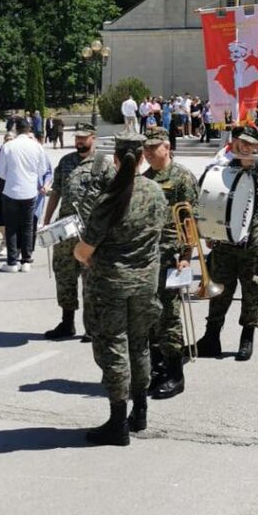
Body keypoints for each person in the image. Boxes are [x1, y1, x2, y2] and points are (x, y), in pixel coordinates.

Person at [74, 135, 167, 443]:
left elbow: (85, 250)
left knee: (113, 347)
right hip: (145, 283)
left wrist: (79, 254)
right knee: (139, 344)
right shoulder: (155, 191)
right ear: (142, 158)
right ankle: (139, 412)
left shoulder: (110, 197)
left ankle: (117, 423)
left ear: (115, 159)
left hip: (110, 286)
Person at [196, 125, 258, 361]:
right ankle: (211, 338)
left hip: (254, 245)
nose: (244, 147)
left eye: (249, 144)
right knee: (219, 292)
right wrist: (210, 232)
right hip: (224, 244)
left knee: (251, 291)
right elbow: (211, 203)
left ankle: (247, 338)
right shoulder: (224, 170)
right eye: (241, 143)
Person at [41, 124, 115, 339]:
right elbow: (56, 191)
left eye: (84, 138)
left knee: (90, 279)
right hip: (65, 230)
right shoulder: (66, 162)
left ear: (93, 138)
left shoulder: (103, 164)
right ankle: (67, 322)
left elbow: (112, 197)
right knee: (64, 275)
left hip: (90, 232)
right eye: (77, 138)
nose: (79, 142)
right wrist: (46, 220)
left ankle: (92, 327)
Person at [142, 128, 199, 400]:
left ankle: (175, 374)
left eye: (154, 147)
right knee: (151, 315)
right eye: (146, 148)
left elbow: (190, 220)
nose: (149, 152)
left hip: (172, 257)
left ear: (167, 147)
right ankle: (157, 368)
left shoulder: (182, 177)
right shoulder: (145, 179)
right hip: (148, 256)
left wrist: (187, 257)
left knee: (169, 315)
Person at [0, 118, 50, 271]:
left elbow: (1, 172)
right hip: (29, 191)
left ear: (16, 129)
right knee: (28, 226)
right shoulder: (37, 146)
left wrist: (12, 177)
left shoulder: (8, 146)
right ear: (29, 129)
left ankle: (12, 261)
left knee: (11, 227)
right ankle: (26, 260)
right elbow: (42, 170)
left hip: (11, 190)